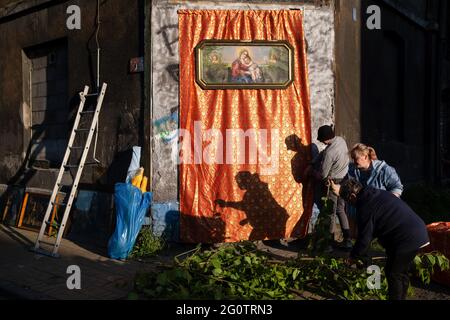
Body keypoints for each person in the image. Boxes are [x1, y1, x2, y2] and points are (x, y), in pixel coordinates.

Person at [330, 179, 430, 300]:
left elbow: (364, 238)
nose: (349, 204)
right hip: (417, 230)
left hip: (406, 238)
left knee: (393, 273)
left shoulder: (365, 205)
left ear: (352, 195)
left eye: (348, 201)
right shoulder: (372, 193)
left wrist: (353, 256)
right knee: (401, 272)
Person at [306, 125, 352, 251]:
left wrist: (311, 172)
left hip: (334, 182)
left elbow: (322, 175)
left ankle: (328, 245)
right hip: (345, 180)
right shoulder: (340, 140)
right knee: (340, 210)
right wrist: (313, 161)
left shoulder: (330, 153)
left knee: (330, 213)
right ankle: (348, 240)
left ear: (325, 140)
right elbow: (323, 152)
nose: (321, 142)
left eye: (321, 140)